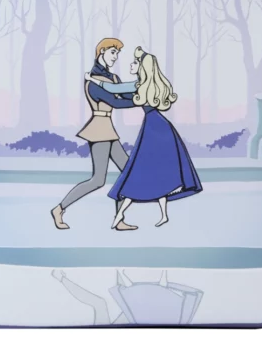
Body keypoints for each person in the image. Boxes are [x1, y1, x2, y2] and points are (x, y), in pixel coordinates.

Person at [102, 47, 202, 229]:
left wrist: (93, 80)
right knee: (158, 172)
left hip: (152, 128)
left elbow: (113, 89)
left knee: (141, 169)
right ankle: (163, 215)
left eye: (135, 63)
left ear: (142, 67)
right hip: (161, 126)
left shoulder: (139, 85)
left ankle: (120, 214)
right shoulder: (150, 84)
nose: (131, 65)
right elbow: (122, 93)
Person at [51, 38, 139, 231]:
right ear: (102, 52)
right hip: (99, 129)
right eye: (113, 52)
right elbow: (115, 102)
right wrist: (141, 101)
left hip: (109, 129)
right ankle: (59, 209)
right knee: (98, 180)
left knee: (127, 173)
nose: (116, 57)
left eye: (117, 53)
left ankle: (119, 218)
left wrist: (145, 93)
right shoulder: (92, 80)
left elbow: (126, 95)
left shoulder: (113, 78)